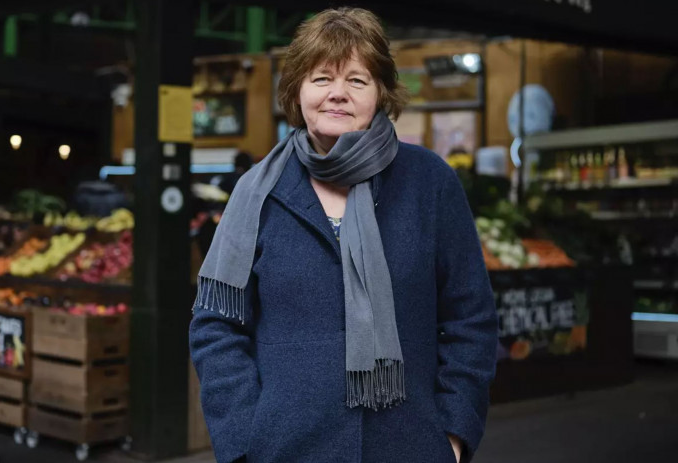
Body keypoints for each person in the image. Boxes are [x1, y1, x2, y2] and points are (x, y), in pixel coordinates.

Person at [190, 8, 497, 463]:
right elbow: (215, 325)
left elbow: (472, 317)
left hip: (409, 446)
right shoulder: (258, 191)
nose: (338, 94)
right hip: (285, 450)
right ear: (297, 90)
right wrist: (244, 439)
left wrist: (453, 434)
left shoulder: (429, 182)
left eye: (357, 80)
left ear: (380, 93)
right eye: (321, 79)